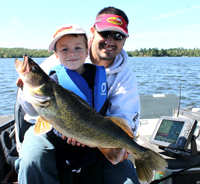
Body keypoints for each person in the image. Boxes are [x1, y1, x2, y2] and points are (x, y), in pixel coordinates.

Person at [15, 6, 141, 184]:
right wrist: (24, 90)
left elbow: (124, 118)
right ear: (93, 32)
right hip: (51, 130)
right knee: (31, 160)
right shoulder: (60, 60)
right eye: (105, 33)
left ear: (125, 40)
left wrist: (91, 137)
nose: (110, 41)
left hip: (96, 133)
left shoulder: (125, 76)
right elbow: (32, 112)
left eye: (118, 36)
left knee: (126, 175)